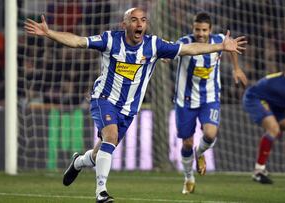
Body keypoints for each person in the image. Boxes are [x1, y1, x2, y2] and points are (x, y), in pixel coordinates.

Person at [24, 8, 247, 202]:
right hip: (104, 99)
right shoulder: (110, 40)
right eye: (134, 20)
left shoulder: (153, 45)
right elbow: (78, 41)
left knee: (99, 152)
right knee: (110, 137)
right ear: (125, 24)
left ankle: (79, 162)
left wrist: (220, 46)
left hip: (128, 109)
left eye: (143, 20)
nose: (139, 24)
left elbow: (190, 49)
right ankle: (101, 192)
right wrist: (49, 33)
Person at [173, 12, 248, 194]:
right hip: (185, 100)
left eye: (204, 30)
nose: (200, 33)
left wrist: (236, 69)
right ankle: (188, 177)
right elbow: (170, 53)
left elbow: (230, 49)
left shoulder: (220, 40)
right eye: (197, 29)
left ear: (210, 30)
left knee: (210, 134)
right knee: (187, 143)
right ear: (193, 28)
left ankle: (200, 153)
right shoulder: (184, 42)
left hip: (210, 98)